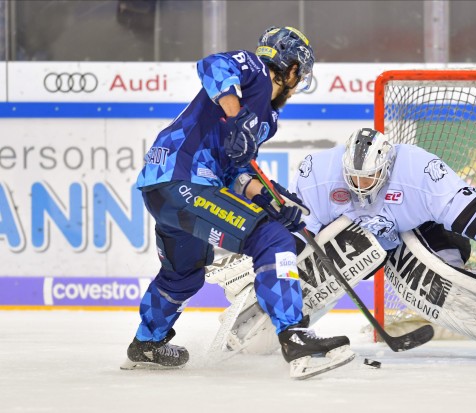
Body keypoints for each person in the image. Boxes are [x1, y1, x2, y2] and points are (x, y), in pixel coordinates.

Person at [121, 26, 355, 378]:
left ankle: (146, 344)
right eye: (299, 74)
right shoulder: (256, 72)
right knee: (272, 239)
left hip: (167, 193)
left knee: (183, 275)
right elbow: (214, 64)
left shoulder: (267, 119)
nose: (297, 83)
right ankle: (294, 336)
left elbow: (236, 170)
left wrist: (272, 199)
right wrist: (236, 116)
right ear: (291, 70)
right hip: (184, 181)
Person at [215, 126, 476, 361]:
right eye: (354, 178)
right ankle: (272, 315)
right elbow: (305, 236)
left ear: (387, 166)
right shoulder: (319, 173)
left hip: (421, 232)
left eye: (369, 177)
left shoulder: (419, 169)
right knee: (337, 253)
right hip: (362, 243)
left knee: (440, 285)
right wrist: (266, 265)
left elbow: (461, 206)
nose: (361, 185)